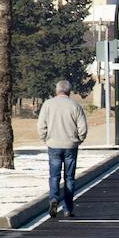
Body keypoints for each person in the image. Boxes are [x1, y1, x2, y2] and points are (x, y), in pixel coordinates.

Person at [37, 79, 87, 218]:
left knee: (54, 176)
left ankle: (53, 198)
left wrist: (45, 138)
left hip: (53, 144)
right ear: (69, 91)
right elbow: (82, 127)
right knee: (69, 178)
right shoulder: (74, 105)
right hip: (70, 145)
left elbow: (41, 125)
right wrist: (79, 139)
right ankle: (67, 208)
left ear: (56, 90)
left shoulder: (48, 105)